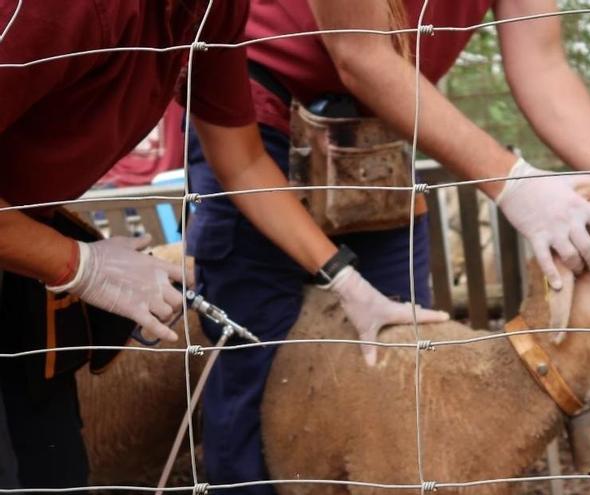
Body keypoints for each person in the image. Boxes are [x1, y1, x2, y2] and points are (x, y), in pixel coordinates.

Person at [185, 1, 590, 493]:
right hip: (255, 123)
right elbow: (359, 53)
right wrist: (514, 183)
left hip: (378, 134)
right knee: (253, 357)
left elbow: (542, 63)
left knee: (402, 371)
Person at [0, 0, 447, 488]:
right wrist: (78, 264)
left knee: (47, 469)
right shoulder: (54, 12)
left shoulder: (214, 11)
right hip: (26, 246)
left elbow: (243, 163)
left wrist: (347, 280)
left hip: (20, 252)